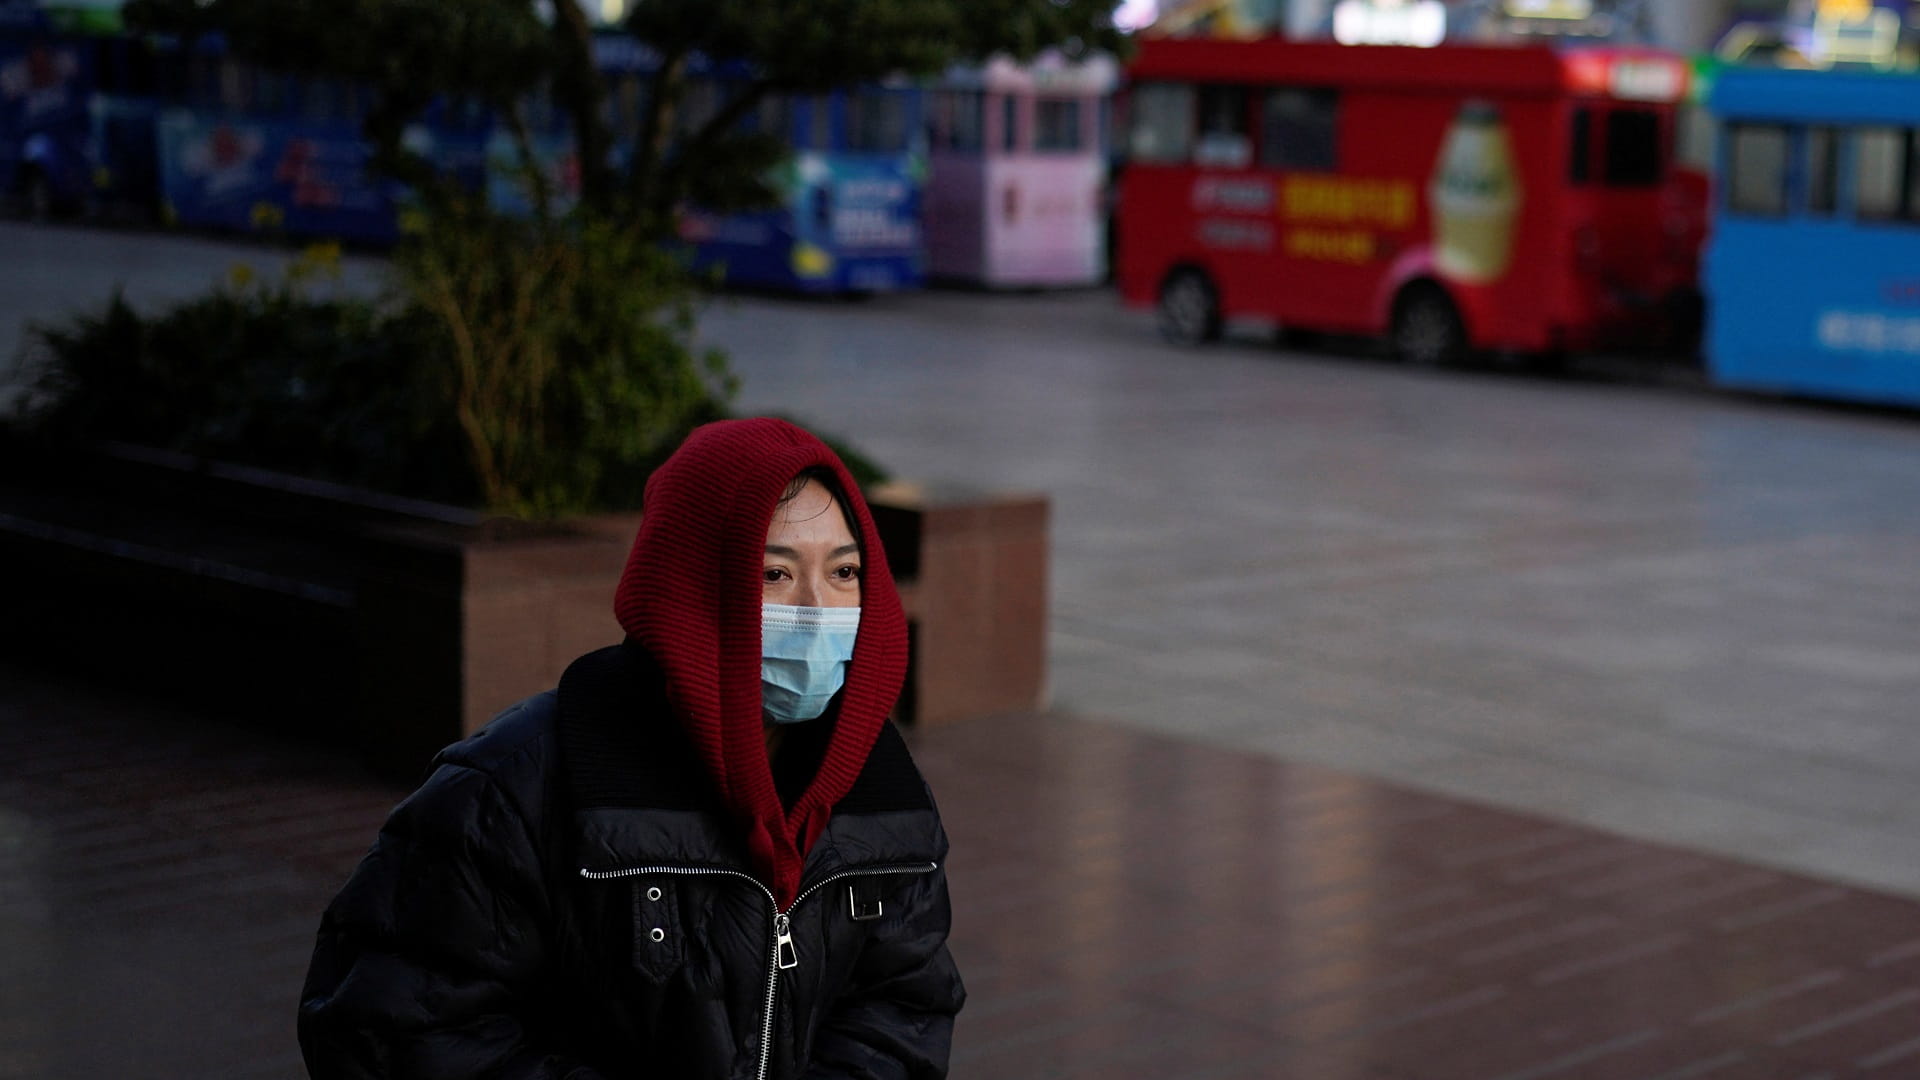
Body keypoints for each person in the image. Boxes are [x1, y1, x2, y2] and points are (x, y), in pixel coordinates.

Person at [298, 417, 965, 1079]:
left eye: (845, 570)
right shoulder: (514, 789)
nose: (819, 609)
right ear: (689, 587)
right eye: (772, 574)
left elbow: (902, 1010)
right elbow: (395, 1029)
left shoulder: (884, 797)